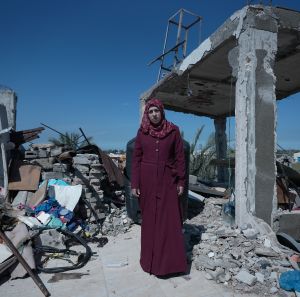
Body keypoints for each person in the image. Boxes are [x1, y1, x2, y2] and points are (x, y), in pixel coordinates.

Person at [131, 98, 187, 277]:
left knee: (169, 223)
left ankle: (170, 265)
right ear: (147, 114)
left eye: (157, 111)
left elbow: (180, 158)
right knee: (149, 223)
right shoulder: (142, 132)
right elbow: (136, 159)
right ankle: (149, 263)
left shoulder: (173, 131)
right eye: (151, 112)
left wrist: (180, 181)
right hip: (146, 184)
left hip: (167, 182)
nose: (154, 114)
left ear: (162, 112)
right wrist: (135, 183)